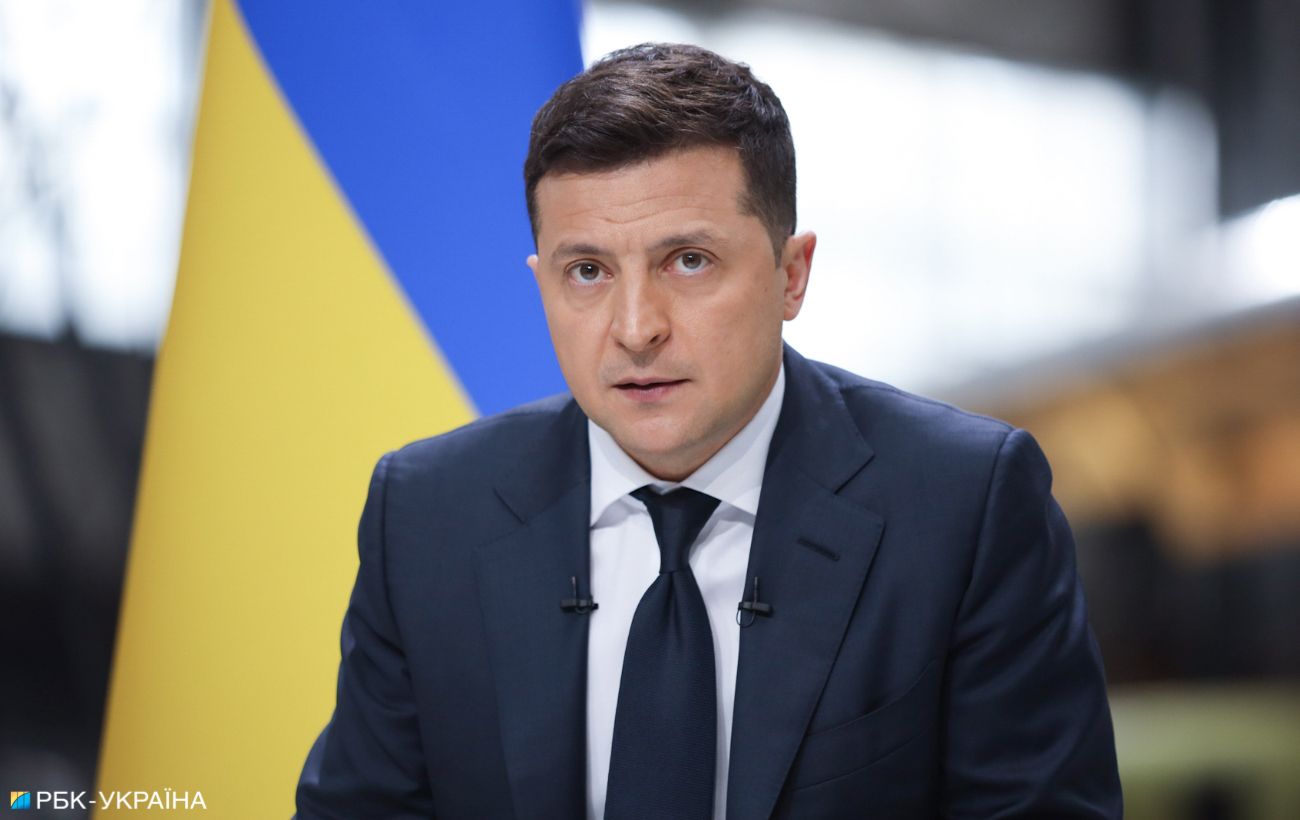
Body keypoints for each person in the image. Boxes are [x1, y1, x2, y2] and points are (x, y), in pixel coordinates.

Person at [295, 43, 1122, 819]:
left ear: (791, 274)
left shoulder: (963, 506)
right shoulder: (429, 515)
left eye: (687, 261)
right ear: (541, 283)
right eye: (588, 271)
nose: (635, 328)